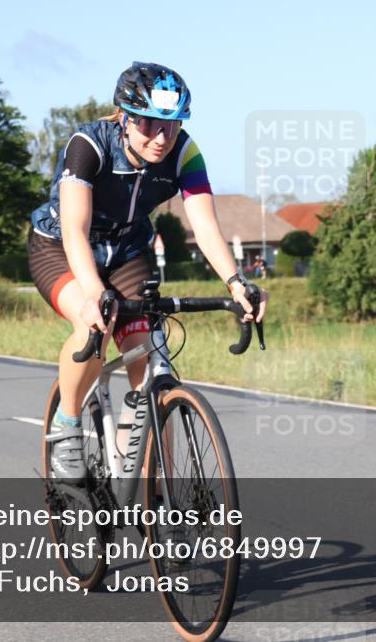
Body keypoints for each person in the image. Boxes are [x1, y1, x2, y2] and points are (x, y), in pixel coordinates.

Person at [28, 62, 268, 479]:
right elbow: (74, 229)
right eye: (151, 126)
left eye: (172, 126)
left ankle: (146, 481)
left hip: (126, 251)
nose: (162, 138)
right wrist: (91, 293)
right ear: (125, 117)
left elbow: (206, 226)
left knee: (153, 360)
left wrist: (236, 282)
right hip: (62, 248)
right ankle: (67, 426)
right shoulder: (89, 144)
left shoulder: (185, 153)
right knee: (94, 328)